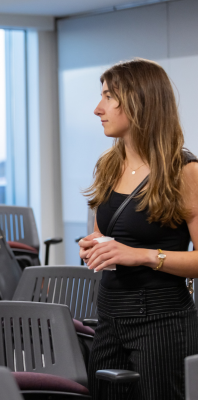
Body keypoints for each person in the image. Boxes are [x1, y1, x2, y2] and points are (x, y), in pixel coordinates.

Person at [78, 58, 198, 400]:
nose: (97, 108)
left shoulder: (183, 171)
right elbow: (112, 237)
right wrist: (96, 245)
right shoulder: (108, 165)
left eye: (108, 97)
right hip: (109, 315)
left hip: (161, 321)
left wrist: (141, 255)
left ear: (139, 101)